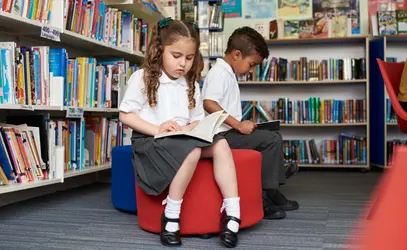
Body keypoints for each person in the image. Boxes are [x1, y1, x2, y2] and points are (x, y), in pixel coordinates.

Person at [118, 18, 241, 248]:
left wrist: (191, 128)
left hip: (182, 138)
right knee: (191, 151)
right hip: (151, 140)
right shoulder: (143, 78)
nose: (183, 64)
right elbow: (126, 116)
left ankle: (232, 214)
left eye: (189, 57)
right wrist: (158, 128)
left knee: (221, 144)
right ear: (158, 50)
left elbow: (196, 119)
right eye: (176, 56)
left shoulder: (190, 83)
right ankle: (171, 216)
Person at [202, 26, 299, 220]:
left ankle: (271, 190)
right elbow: (208, 103)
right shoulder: (220, 73)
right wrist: (238, 125)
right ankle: (264, 197)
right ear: (237, 55)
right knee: (271, 140)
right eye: (252, 64)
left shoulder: (228, 73)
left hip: (227, 132)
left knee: (273, 136)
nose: (252, 70)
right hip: (219, 137)